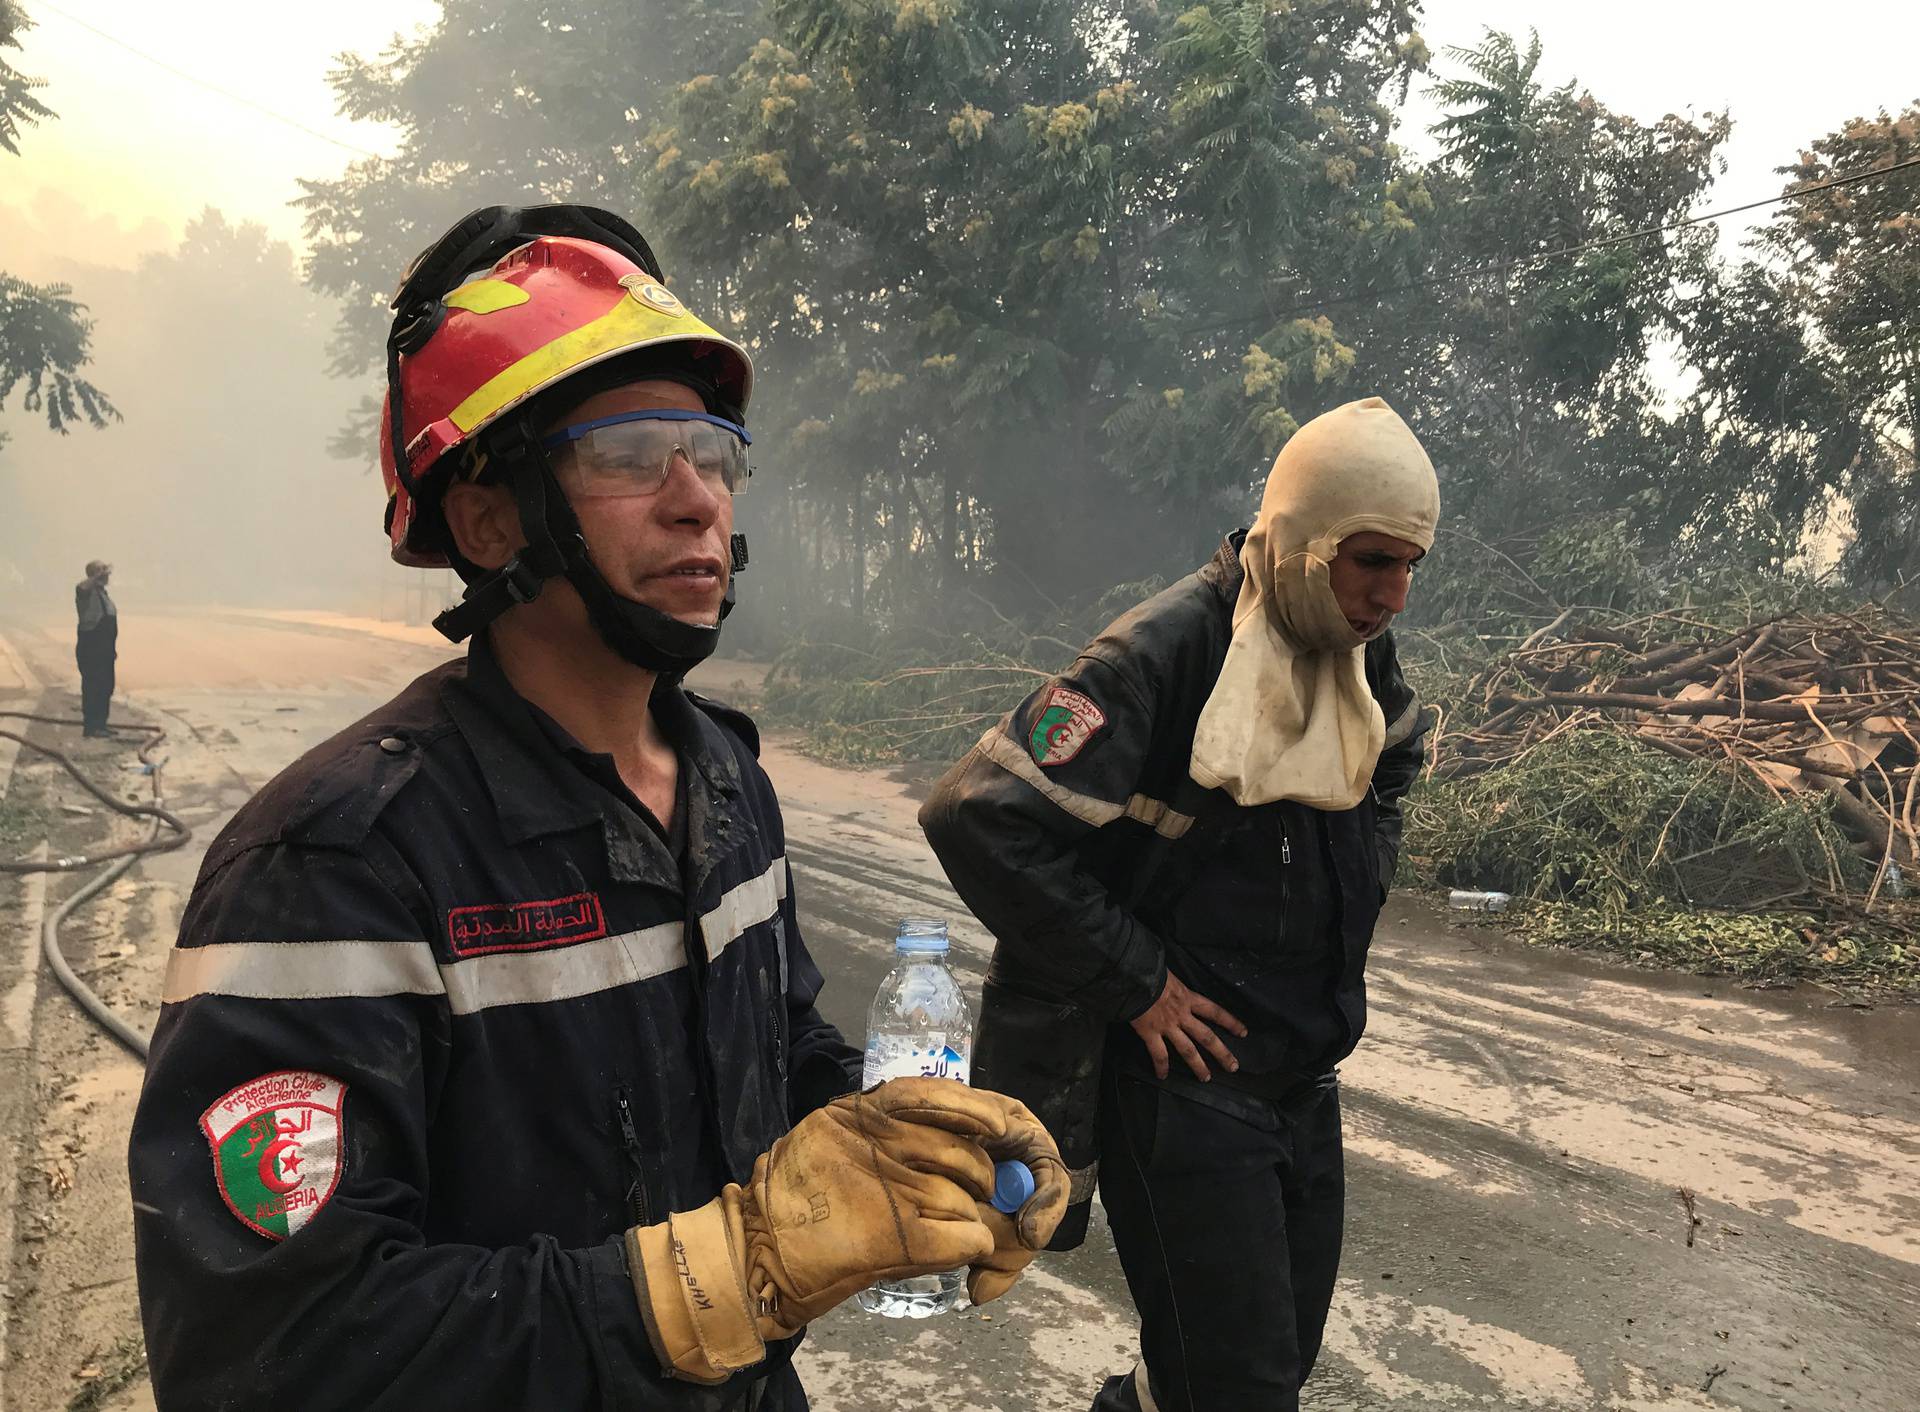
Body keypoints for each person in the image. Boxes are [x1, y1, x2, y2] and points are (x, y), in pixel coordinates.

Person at [128, 205, 1065, 1412]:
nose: (696, 501)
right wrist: (720, 1278)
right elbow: (273, 1353)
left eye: (714, 452)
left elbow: (770, 1054)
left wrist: (891, 1135)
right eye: (630, 453)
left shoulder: (728, 784)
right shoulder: (334, 867)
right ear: (488, 518)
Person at [920, 397, 1439, 1411]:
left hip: (1305, 1075)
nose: (1395, 593)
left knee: (1256, 1368)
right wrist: (1140, 981)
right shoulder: (1164, 653)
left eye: (1412, 562)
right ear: (1301, 541)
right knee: (1241, 1391)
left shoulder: (1353, 642)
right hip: (1187, 1096)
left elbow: (1398, 750)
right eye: (1372, 558)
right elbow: (978, 817)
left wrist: (1365, 853)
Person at [74, 558, 117, 736]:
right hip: (91, 648)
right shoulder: (86, 593)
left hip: (105, 649)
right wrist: (95, 576)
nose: (106, 574)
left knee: (106, 686)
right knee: (93, 687)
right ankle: (91, 727)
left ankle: (101, 724)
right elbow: (81, 587)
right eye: (101, 571)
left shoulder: (103, 594)